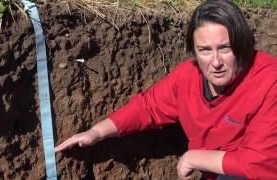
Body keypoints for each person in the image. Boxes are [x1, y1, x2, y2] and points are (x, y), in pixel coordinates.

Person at [55, 0, 277, 179]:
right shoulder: (187, 77)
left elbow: (260, 164)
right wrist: (96, 132)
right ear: (194, 51)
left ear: (243, 45)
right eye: (205, 50)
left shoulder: (269, 80)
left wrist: (193, 158)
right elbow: (148, 107)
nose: (216, 62)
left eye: (225, 48)